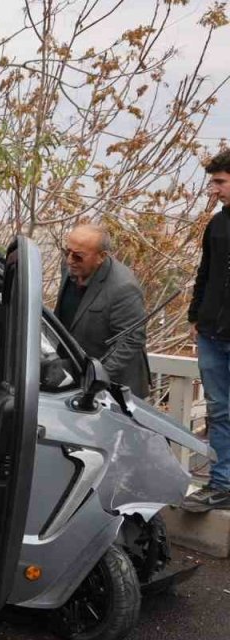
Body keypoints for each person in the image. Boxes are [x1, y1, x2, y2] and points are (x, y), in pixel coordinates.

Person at [53, 224, 150, 397]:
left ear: (101, 257)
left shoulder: (123, 287)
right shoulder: (70, 265)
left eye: (78, 256)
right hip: (75, 375)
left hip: (115, 386)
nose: (69, 260)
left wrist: (97, 377)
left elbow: (131, 340)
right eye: (67, 252)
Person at [184, 149, 230, 512]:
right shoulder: (217, 224)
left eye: (220, 182)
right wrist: (195, 317)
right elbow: (205, 273)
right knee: (219, 411)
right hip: (213, 334)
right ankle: (222, 483)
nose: (214, 189)